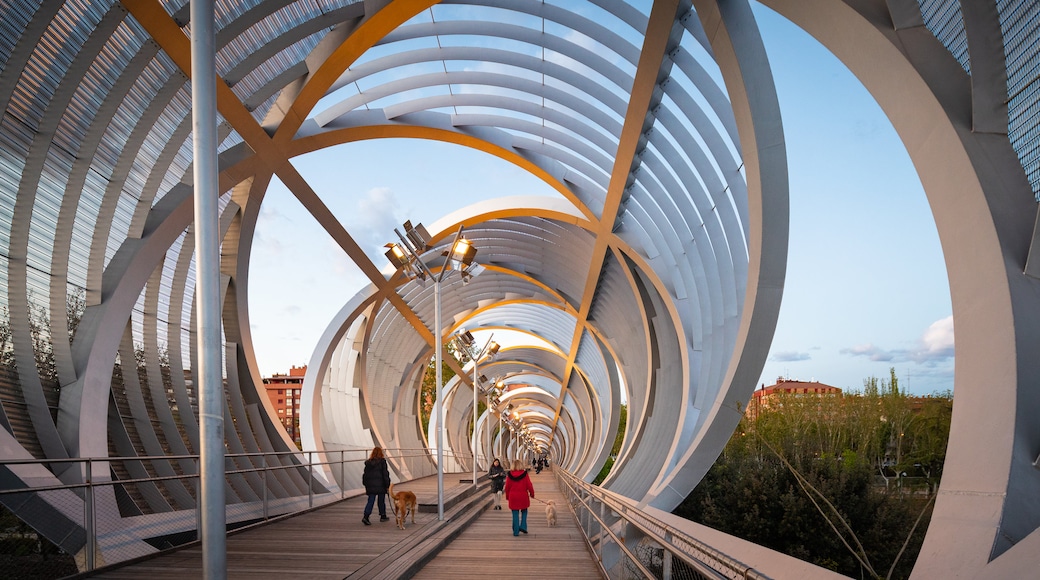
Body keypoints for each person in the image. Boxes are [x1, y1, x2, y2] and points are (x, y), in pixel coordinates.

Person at [503, 458, 535, 536]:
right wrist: (532, 493)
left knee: (515, 513)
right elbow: (529, 485)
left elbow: (507, 487)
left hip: (513, 496)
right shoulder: (525, 474)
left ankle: (516, 531)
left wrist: (507, 497)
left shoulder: (509, 475)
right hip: (523, 495)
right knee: (524, 511)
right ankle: (523, 526)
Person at [361, 446, 390, 525]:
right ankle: (383, 515)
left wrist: (365, 483)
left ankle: (366, 516)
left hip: (370, 485)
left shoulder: (368, 463)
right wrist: (387, 485)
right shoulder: (382, 462)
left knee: (371, 500)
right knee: (381, 500)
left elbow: (365, 475)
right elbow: (385, 474)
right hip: (380, 484)